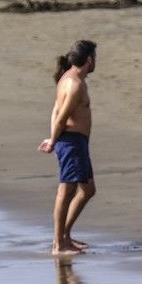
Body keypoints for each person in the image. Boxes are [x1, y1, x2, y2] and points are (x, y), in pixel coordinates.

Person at [39, 40, 97, 256]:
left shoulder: (69, 78)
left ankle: (65, 236)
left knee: (88, 190)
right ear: (89, 59)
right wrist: (53, 140)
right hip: (71, 142)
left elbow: (55, 111)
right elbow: (62, 116)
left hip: (76, 142)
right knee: (66, 191)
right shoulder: (75, 84)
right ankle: (58, 244)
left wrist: (53, 135)